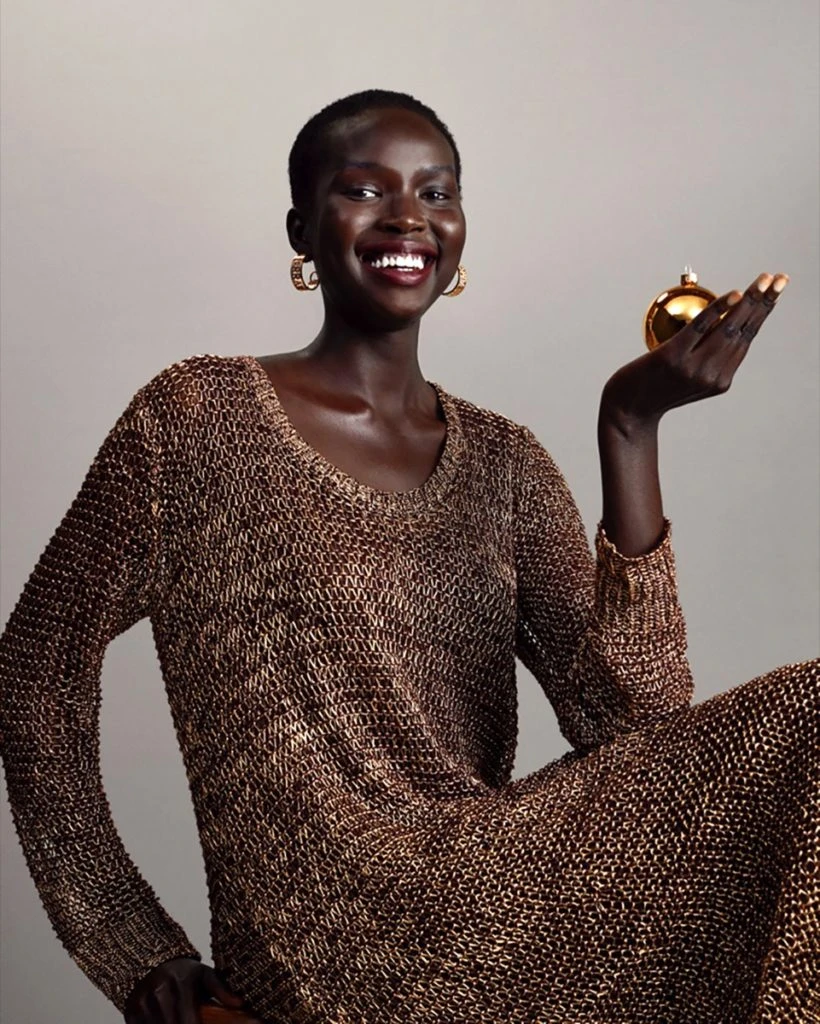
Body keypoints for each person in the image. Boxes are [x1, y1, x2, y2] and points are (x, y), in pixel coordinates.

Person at [0, 88, 816, 1024]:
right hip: (329, 942)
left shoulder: (506, 464)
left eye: (437, 193)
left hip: (485, 907)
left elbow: (639, 733)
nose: (407, 218)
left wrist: (631, 428)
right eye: (364, 190)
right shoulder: (195, 422)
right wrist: (131, 943)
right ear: (302, 230)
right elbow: (33, 672)